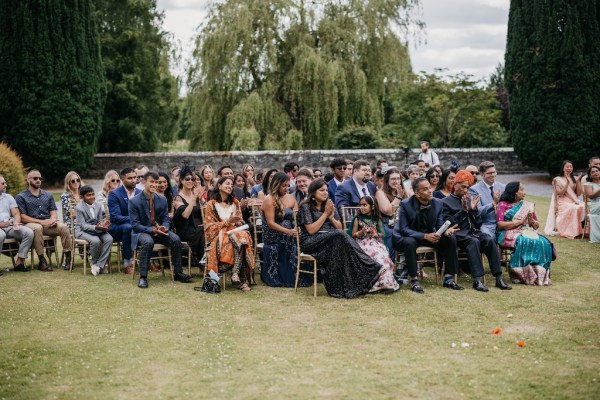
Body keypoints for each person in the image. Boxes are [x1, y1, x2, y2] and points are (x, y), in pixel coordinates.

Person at [298, 179, 395, 298]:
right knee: (339, 235)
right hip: (311, 242)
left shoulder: (328, 204)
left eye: (327, 190)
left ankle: (349, 286)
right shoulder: (305, 206)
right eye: (322, 190)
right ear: (313, 192)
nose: (325, 193)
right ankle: (370, 265)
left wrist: (332, 217)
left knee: (339, 236)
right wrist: (325, 215)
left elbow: (339, 226)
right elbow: (311, 230)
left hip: (331, 239)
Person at [442, 171, 512, 291]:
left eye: (467, 187)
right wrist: (464, 211)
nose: (465, 190)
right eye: (463, 186)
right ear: (455, 184)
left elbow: (478, 223)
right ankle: (477, 280)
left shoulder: (469, 200)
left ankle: (499, 278)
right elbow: (448, 223)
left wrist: (474, 211)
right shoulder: (445, 202)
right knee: (473, 241)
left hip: (473, 232)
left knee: (489, 240)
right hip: (458, 234)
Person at [392, 177, 464, 294]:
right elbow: (403, 229)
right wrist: (424, 236)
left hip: (430, 234)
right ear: (417, 193)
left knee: (451, 239)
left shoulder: (438, 202)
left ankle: (448, 278)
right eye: (425, 189)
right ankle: (414, 280)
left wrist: (445, 231)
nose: (430, 191)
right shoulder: (406, 204)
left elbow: (439, 224)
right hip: (408, 236)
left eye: (430, 188)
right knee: (410, 243)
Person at [129, 171, 193, 288]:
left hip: (160, 231)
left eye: (156, 182)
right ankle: (143, 277)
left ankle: (178, 273)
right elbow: (135, 225)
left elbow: (166, 218)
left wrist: (165, 227)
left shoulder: (162, 199)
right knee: (148, 242)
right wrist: (152, 230)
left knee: (175, 239)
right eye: (152, 182)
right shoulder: (134, 201)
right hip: (142, 232)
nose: (155, 185)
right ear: (144, 182)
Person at [496, 182, 553, 286]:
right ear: (514, 192)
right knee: (523, 241)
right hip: (508, 231)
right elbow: (500, 224)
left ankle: (540, 274)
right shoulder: (503, 204)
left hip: (527, 230)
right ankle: (522, 274)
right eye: (521, 190)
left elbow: (536, 226)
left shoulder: (528, 205)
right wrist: (518, 222)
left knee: (543, 242)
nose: (524, 193)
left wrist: (532, 221)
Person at [204, 176, 255, 291]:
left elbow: (240, 221)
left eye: (232, 185)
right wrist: (227, 222)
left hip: (236, 232)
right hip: (219, 235)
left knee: (243, 236)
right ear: (219, 186)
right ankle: (240, 278)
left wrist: (238, 222)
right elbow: (209, 228)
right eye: (227, 184)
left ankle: (235, 274)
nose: (230, 186)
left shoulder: (235, 203)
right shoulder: (211, 204)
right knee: (241, 238)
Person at [16, 170, 72, 271]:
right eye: (35, 178)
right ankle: (42, 261)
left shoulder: (48, 195)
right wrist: (41, 222)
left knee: (63, 227)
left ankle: (68, 258)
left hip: (47, 224)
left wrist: (52, 219)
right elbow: (22, 217)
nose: (38, 180)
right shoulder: (21, 197)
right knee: (37, 228)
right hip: (30, 224)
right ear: (28, 180)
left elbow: (53, 211)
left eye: (40, 178)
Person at [261, 172, 308, 287]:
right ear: (276, 185)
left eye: (288, 185)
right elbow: (270, 223)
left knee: (303, 238)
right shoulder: (269, 199)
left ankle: (300, 272)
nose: (287, 188)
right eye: (283, 186)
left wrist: (297, 229)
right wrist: (287, 231)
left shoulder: (291, 199)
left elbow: (296, 219)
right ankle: (288, 276)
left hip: (290, 231)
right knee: (289, 238)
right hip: (273, 233)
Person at [348, 196, 399, 293]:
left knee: (382, 256)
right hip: (361, 243)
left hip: (375, 243)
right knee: (369, 256)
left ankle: (385, 284)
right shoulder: (357, 219)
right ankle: (372, 285)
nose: (361, 207)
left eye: (364, 205)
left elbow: (382, 234)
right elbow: (352, 235)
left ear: (372, 207)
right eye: (360, 205)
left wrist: (375, 234)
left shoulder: (377, 218)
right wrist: (360, 233)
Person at [108, 167, 141, 275]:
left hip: (137, 225)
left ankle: (149, 261)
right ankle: (128, 264)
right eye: (130, 178)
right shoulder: (115, 194)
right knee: (128, 228)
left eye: (135, 177)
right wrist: (135, 219)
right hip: (118, 227)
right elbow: (115, 217)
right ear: (122, 179)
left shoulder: (141, 193)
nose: (133, 180)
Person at [75, 186, 113, 276]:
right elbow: (83, 226)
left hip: (97, 230)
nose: (92, 197)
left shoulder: (98, 205)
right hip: (82, 232)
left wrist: (103, 224)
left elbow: (99, 220)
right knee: (95, 241)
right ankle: (94, 262)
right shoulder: (79, 208)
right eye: (88, 195)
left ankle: (99, 265)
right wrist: (96, 227)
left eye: (93, 194)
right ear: (82, 197)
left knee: (109, 239)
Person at [0, 174, 33, 272]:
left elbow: (16, 214)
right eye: (3, 183)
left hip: (9, 227)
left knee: (29, 233)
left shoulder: (8, 197)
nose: (5, 185)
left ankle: (19, 262)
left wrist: (16, 223)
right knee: (0, 236)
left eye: (5, 183)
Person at [173, 165, 206, 263]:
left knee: (211, 231)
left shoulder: (196, 195)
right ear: (181, 180)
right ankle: (204, 263)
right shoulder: (177, 198)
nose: (190, 181)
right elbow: (185, 215)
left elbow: (206, 212)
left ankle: (207, 264)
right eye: (187, 179)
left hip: (200, 227)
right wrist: (194, 198)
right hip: (186, 229)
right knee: (205, 233)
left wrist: (201, 199)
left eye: (193, 179)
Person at [544, 160, 584, 239]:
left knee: (584, 206)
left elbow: (579, 193)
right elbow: (560, 194)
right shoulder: (557, 179)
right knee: (574, 208)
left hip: (573, 200)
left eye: (571, 166)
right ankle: (571, 231)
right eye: (567, 167)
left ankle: (581, 231)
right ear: (563, 168)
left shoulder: (574, 178)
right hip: (563, 201)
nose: (569, 168)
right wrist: (567, 183)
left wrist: (578, 180)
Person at [468, 161, 506, 238]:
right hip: (487, 225)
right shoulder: (474, 190)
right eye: (489, 173)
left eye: (494, 172)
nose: (493, 175)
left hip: (504, 222)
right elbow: (477, 212)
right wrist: (493, 204)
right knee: (488, 238)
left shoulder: (503, 187)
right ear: (482, 174)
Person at [584, 165, 600, 243]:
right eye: (593, 172)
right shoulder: (588, 184)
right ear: (590, 175)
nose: (595, 173)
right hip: (595, 206)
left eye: (597, 171)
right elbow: (591, 196)